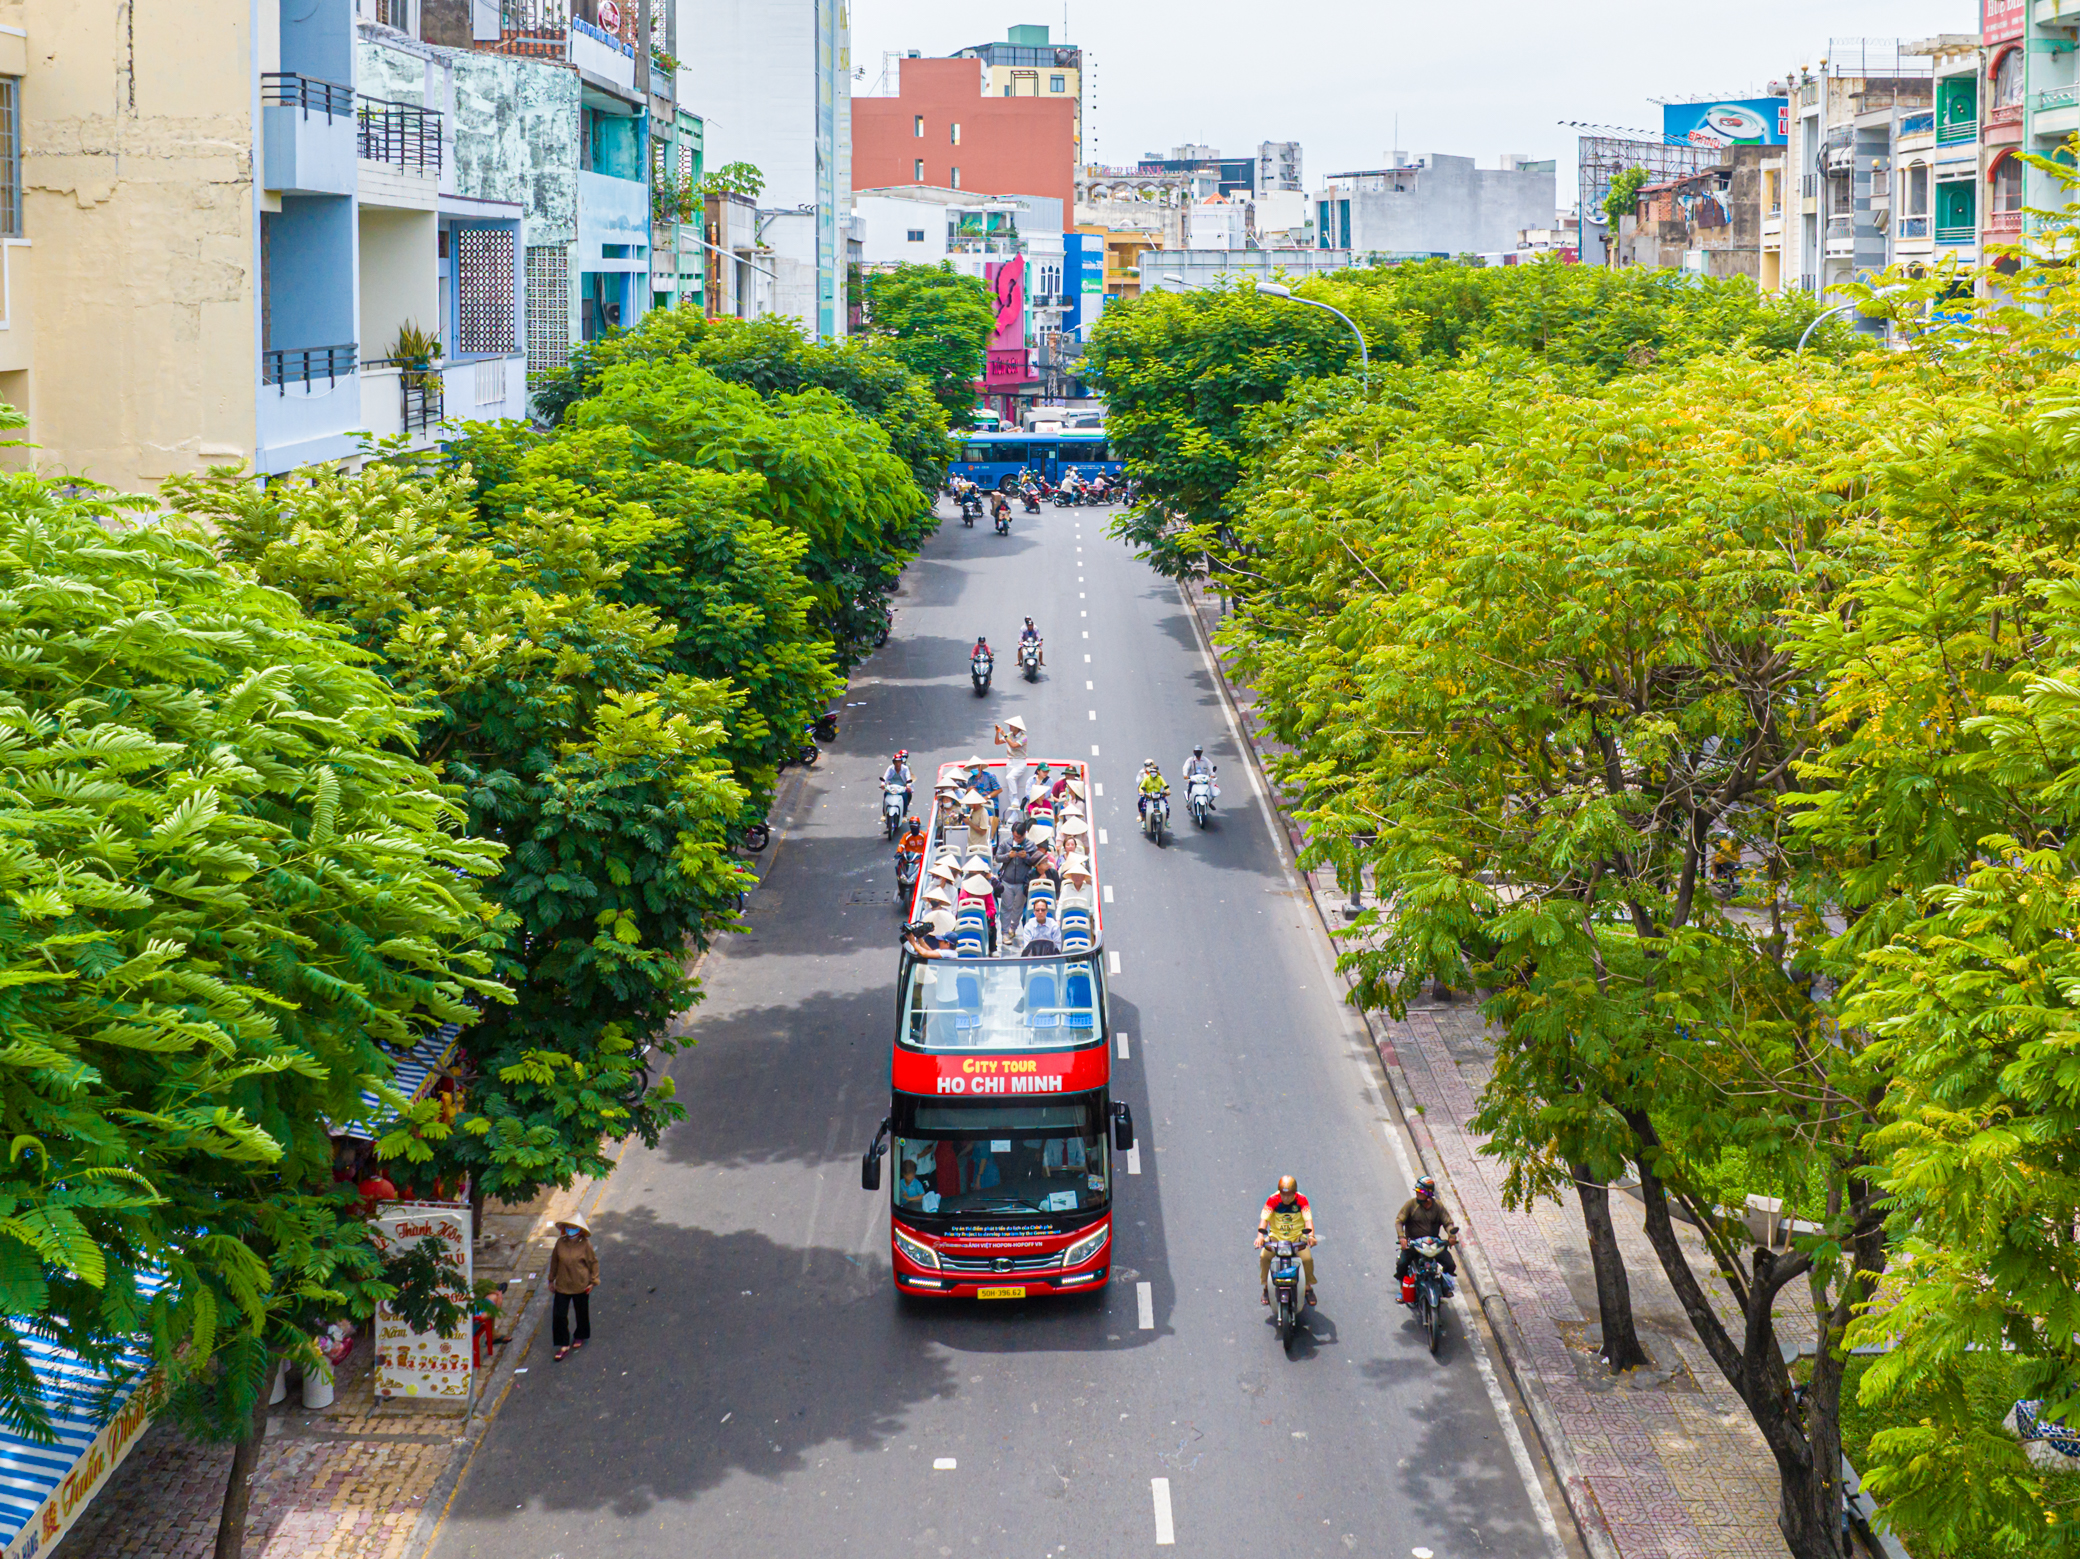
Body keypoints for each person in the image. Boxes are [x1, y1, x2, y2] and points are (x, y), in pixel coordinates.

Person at [1255, 1175, 1317, 1308]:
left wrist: (1311, 1236)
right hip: (1276, 1237)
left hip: (1297, 1238)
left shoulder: (1302, 1200)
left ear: (1294, 1193)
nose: (1286, 1198)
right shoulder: (1272, 1200)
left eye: (1289, 1195)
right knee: (1264, 1257)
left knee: (1307, 1259)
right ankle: (1266, 1287)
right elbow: (1264, 1221)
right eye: (1284, 1194)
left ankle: (1307, 1287)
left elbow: (1308, 1221)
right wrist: (1260, 1237)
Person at [1392, 1175, 1459, 1294]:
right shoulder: (1411, 1205)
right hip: (1413, 1243)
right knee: (1402, 1264)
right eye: (1417, 1191)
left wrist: (1451, 1236)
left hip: (1432, 1243)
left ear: (1428, 1193)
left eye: (1421, 1192)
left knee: (1450, 1264)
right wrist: (1402, 1237)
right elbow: (1399, 1221)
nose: (1418, 1194)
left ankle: (1444, 1285)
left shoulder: (1438, 1207)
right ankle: (1403, 1289)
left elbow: (1448, 1223)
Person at [549, 1212, 599, 1361]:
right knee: (559, 1315)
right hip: (563, 1285)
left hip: (581, 1284)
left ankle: (581, 1335)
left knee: (581, 1312)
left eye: (573, 1228)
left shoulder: (585, 1245)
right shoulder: (560, 1243)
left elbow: (593, 1263)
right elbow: (554, 1262)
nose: (570, 1230)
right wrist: (551, 1280)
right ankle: (563, 1344)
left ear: (580, 1230)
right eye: (568, 1227)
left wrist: (593, 1281)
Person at [995, 818, 1040, 937]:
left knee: (1018, 908)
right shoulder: (1005, 843)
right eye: (1015, 836)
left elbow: (1035, 862)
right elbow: (997, 857)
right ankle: (1004, 932)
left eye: (1019, 837)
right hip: (1007, 880)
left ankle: (1013, 928)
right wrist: (1008, 856)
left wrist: (1026, 857)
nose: (1017, 839)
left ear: (1024, 834)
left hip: (1022, 882)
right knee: (1005, 907)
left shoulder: (1030, 845)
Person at [1182, 744, 1215, 810]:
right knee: (1190, 789)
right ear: (1194, 752)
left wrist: (1212, 774)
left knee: (1212, 791)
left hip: (1204, 780)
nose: (1198, 753)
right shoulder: (1190, 760)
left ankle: (1209, 802)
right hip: (1194, 780)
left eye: (1199, 751)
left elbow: (1211, 767)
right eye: (1196, 751)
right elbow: (1186, 767)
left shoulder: (1205, 760)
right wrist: (1185, 775)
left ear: (1202, 752)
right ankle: (1189, 803)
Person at [1137, 759, 1169, 824]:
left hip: (1157, 794)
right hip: (1147, 793)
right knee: (1141, 803)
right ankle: (1143, 818)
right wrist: (1142, 792)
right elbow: (1140, 784)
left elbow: (1164, 784)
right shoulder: (1144, 776)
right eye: (1147, 765)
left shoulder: (1159, 777)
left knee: (1166, 806)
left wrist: (1167, 791)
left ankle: (1166, 820)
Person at [884, 750, 913, 816]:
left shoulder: (906, 768)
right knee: (885, 795)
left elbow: (909, 778)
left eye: (899, 762)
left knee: (905, 796)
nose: (897, 764)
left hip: (902, 786)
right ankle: (884, 813)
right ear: (893, 763)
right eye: (896, 762)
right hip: (892, 786)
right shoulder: (890, 768)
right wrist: (883, 783)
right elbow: (885, 776)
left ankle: (904, 814)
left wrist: (908, 786)